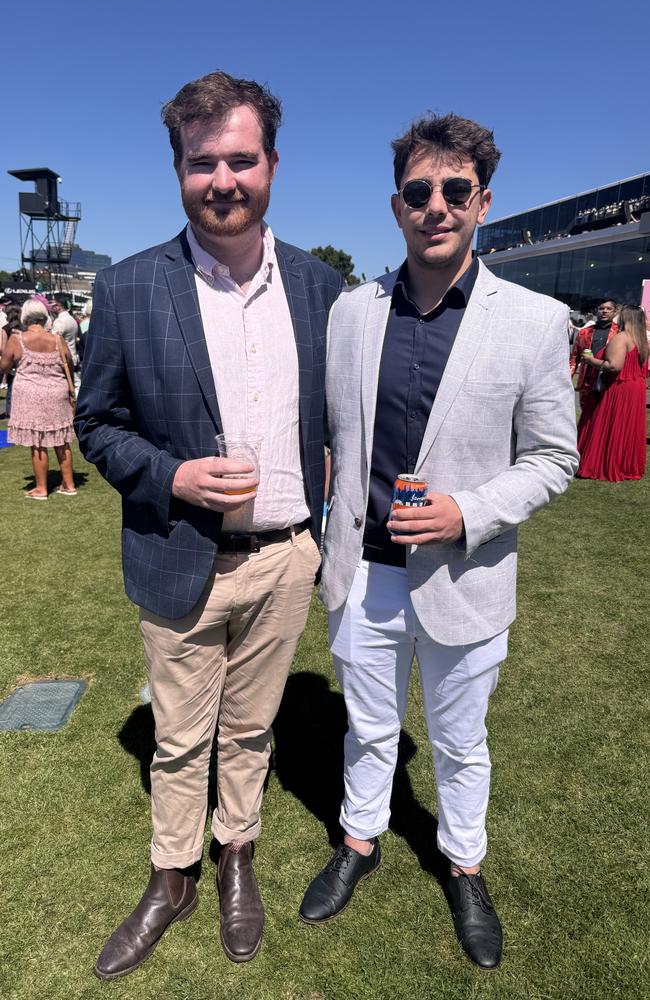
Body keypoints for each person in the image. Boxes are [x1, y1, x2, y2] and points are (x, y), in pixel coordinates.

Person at [74, 69, 342, 980]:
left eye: (240, 159)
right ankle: (171, 874)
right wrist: (174, 475)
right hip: (178, 556)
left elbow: (341, 421)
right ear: (178, 170)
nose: (222, 180)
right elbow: (95, 427)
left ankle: (237, 858)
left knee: (254, 731)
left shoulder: (320, 288)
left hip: (284, 560)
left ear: (272, 163)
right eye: (202, 164)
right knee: (181, 735)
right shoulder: (127, 288)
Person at [299, 113, 579, 970]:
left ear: (483, 202)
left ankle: (464, 863)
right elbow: (331, 439)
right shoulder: (351, 313)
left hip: (466, 573)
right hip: (363, 572)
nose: (436, 206)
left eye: (454, 191)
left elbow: (553, 458)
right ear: (396, 206)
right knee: (368, 728)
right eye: (419, 192)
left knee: (460, 743)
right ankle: (358, 841)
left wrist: (469, 511)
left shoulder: (534, 321)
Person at [1, 300, 76, 498]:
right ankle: (69, 485)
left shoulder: (18, 339)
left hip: (30, 395)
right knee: (62, 441)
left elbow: (4, 366)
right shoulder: (57, 339)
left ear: (25, 317)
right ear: (45, 316)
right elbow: (69, 362)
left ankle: (41, 488)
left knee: (38, 441)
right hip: (57, 393)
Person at [576, 304, 648, 481]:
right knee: (626, 427)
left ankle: (604, 463)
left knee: (609, 423)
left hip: (619, 387)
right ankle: (623, 463)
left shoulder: (622, 338)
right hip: (635, 388)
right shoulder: (642, 341)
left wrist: (590, 360)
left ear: (626, 318)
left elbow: (614, 366)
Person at [569, 298, 618, 412]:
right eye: (601, 308)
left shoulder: (620, 332)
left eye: (608, 309)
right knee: (586, 414)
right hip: (587, 381)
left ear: (615, 312)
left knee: (604, 416)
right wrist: (568, 379)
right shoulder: (584, 332)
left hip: (609, 381)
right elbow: (574, 359)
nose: (604, 311)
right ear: (597, 311)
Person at [50, 294, 79, 369]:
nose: (51, 308)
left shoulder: (60, 321)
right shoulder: (72, 320)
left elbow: (54, 341)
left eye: (53, 305)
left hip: (64, 360)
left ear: (58, 306)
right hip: (73, 357)